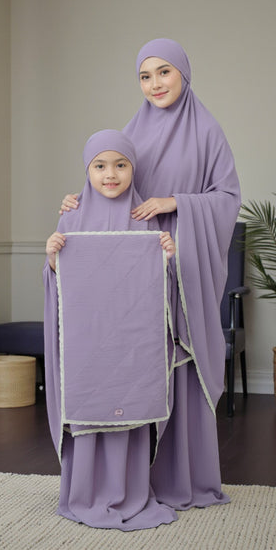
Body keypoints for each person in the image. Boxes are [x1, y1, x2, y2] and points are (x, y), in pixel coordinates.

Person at [60, 38, 241, 511]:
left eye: (164, 72)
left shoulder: (207, 132)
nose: (155, 84)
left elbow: (227, 199)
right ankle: (130, 480)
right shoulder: (132, 131)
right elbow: (108, 174)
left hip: (181, 260)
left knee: (177, 366)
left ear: (183, 73)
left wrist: (174, 202)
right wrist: (78, 200)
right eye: (145, 76)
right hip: (134, 275)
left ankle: (180, 479)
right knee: (135, 367)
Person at [44, 129, 178, 530]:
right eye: (100, 166)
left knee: (130, 412)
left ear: (132, 169)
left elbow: (158, 288)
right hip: (88, 343)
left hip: (131, 344)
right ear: (87, 171)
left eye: (121, 165)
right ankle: (84, 494)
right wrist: (52, 258)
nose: (111, 174)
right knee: (89, 410)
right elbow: (61, 283)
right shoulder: (71, 215)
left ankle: (131, 493)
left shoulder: (145, 218)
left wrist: (166, 259)